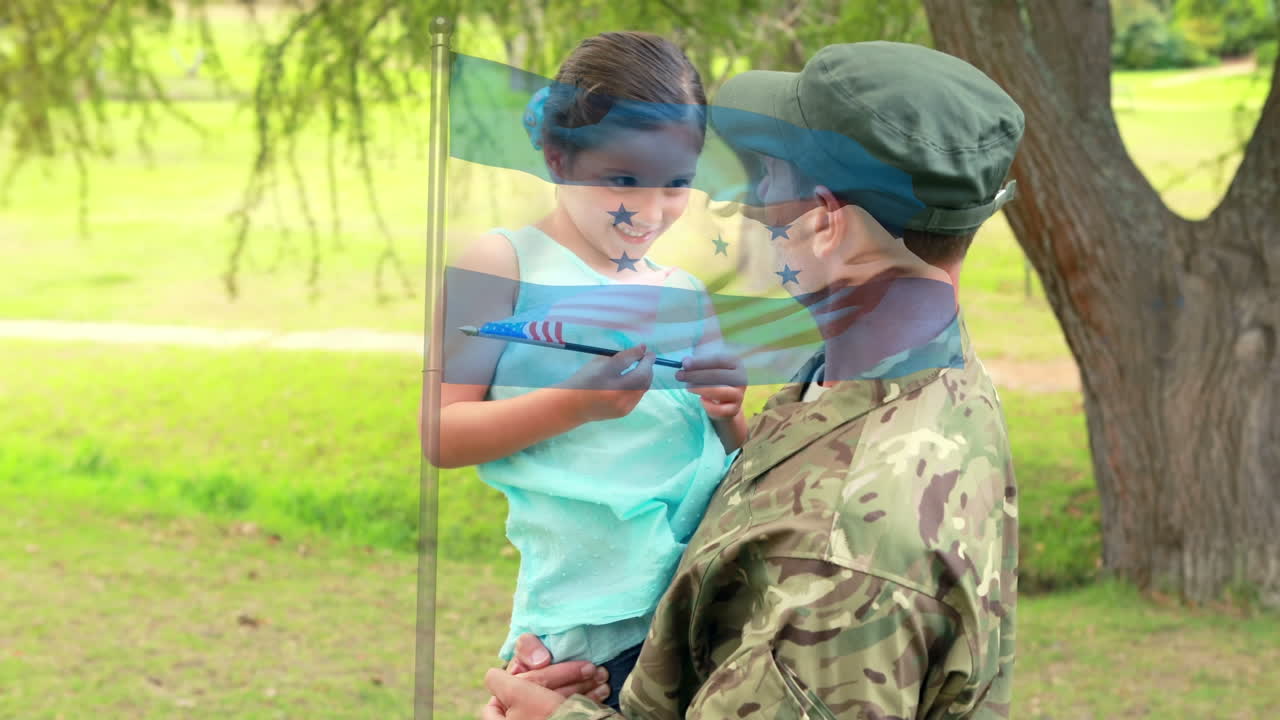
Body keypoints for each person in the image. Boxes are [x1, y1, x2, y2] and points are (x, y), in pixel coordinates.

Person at [478, 41, 1025, 719]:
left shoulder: (838, 556)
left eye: (770, 175)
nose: (753, 203)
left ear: (824, 222)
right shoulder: (920, 377)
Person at [431, 31, 749, 710]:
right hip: (588, 629)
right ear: (558, 157)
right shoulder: (500, 264)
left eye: (677, 184)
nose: (650, 211)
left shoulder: (685, 293)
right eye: (622, 182)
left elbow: (729, 468)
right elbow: (441, 433)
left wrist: (730, 415)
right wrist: (574, 403)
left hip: (700, 609)